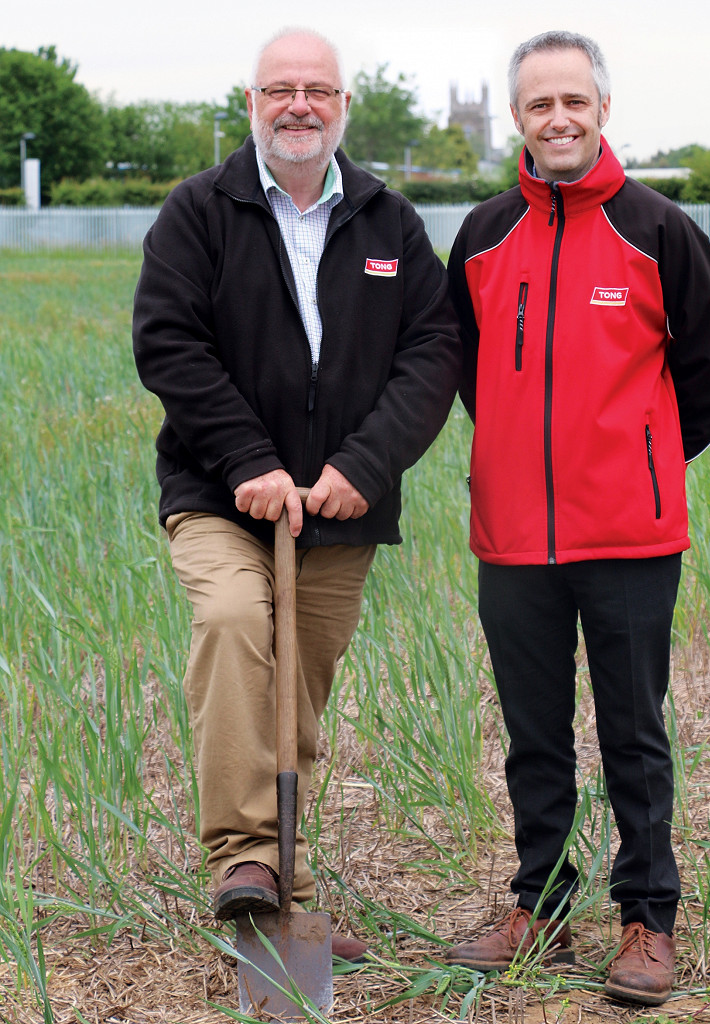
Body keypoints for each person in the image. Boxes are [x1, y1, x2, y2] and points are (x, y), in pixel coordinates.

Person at [133, 27, 461, 962]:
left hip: (338, 506)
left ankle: (285, 893)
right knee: (237, 622)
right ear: (250, 104)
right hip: (219, 495)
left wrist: (365, 466)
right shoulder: (198, 210)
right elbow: (169, 342)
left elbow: (433, 349)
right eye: (279, 88)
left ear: (343, 106)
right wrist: (245, 459)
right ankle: (245, 858)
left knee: (298, 691)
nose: (299, 105)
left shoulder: (388, 221)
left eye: (317, 88)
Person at [444, 30, 710, 1006]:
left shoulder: (659, 230)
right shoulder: (483, 236)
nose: (558, 118)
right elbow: (476, 376)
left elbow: (708, 378)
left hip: (630, 534)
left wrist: (637, 462)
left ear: (602, 108)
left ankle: (647, 916)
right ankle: (542, 903)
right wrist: (525, 465)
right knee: (533, 732)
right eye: (539, 105)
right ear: (519, 118)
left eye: (575, 100)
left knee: (632, 731)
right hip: (514, 538)